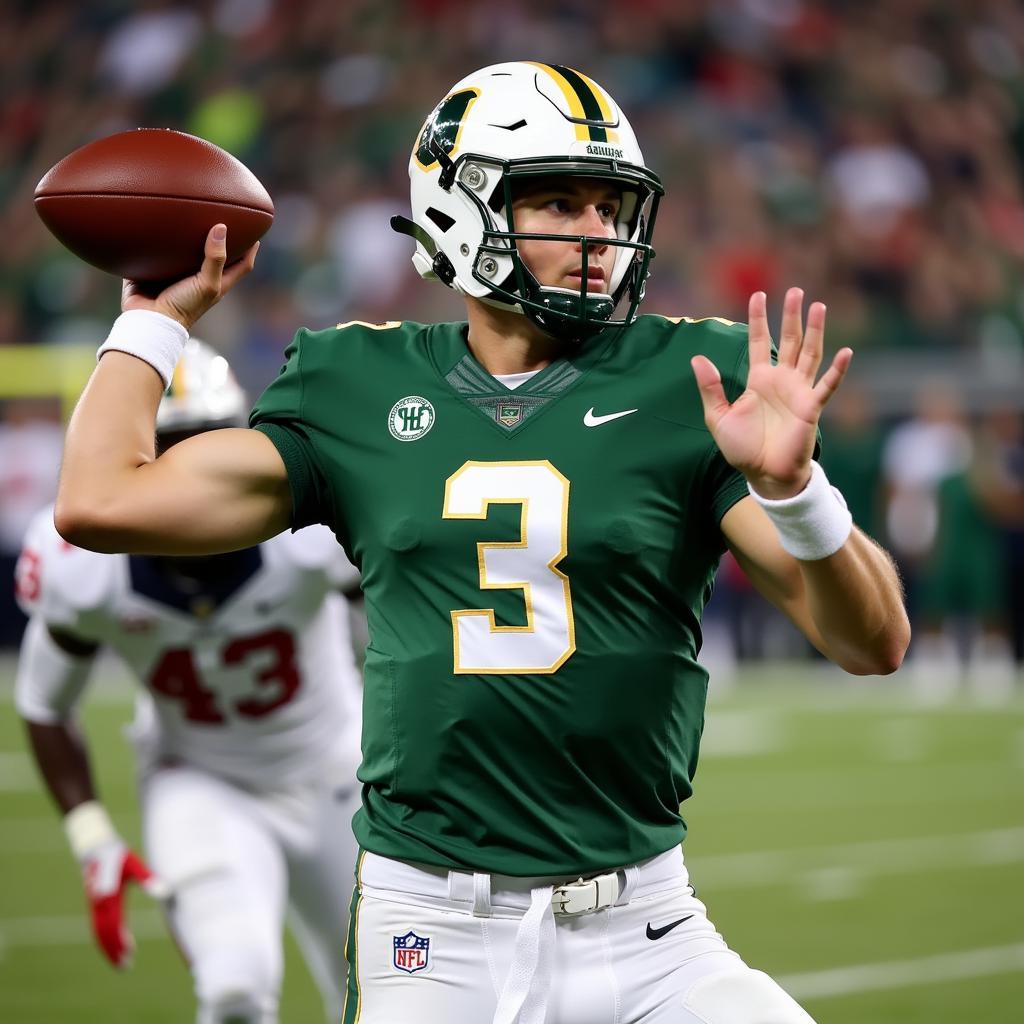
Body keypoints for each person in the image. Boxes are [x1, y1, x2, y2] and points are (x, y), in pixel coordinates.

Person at [54, 61, 910, 1024]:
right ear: (461, 212)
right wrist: (154, 322)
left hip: (646, 923)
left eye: (611, 206)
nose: (598, 234)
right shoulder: (356, 385)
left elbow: (869, 643)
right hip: (434, 933)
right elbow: (99, 502)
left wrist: (797, 493)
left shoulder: (690, 381)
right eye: (559, 202)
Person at [17, 340, 363, 1024]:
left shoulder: (308, 535)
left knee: (374, 987)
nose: (189, 474)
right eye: (164, 450)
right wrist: (92, 839)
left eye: (203, 445)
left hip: (334, 769)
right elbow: (43, 703)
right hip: (200, 779)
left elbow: (400, 643)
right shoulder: (82, 567)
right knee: (235, 987)